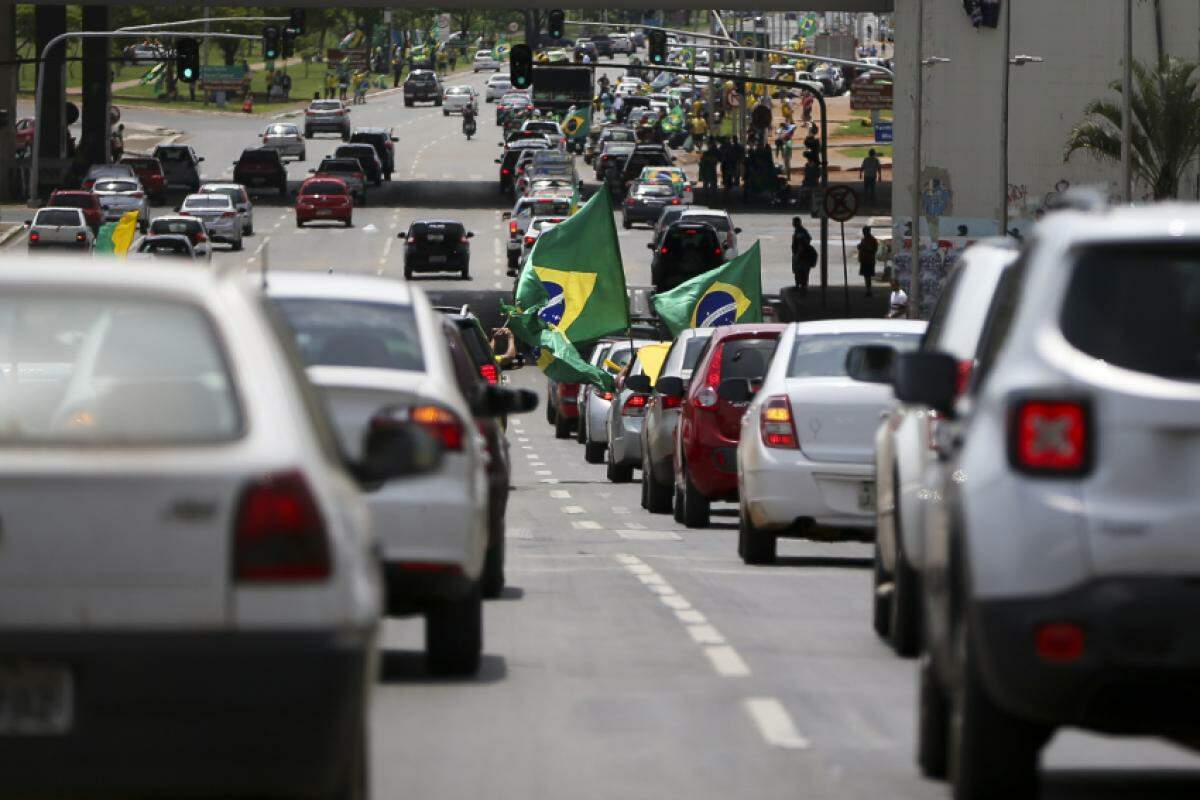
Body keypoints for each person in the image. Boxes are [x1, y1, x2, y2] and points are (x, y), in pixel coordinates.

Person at [791, 217, 818, 294]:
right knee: (800, 271)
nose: (793, 224)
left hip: (802, 256)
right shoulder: (800, 231)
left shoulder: (800, 232)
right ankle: (801, 286)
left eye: (794, 222)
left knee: (801, 271)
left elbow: (803, 244)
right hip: (801, 255)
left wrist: (798, 255)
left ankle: (802, 287)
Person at [858, 226, 879, 297]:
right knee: (866, 276)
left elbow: (873, 250)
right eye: (863, 231)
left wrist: (864, 248)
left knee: (868, 276)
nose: (864, 233)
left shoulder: (872, 240)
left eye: (865, 231)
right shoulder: (864, 239)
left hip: (869, 260)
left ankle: (869, 291)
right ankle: (868, 290)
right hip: (864, 260)